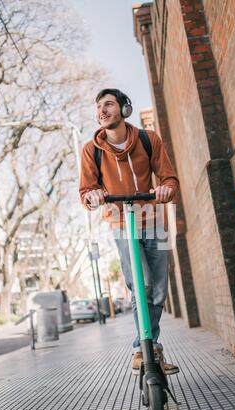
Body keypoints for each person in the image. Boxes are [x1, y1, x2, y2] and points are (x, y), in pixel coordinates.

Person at [79, 88, 179, 375]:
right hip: (122, 224)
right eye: (98, 106)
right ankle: (142, 349)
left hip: (153, 219)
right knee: (142, 283)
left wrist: (166, 189)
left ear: (124, 109)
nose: (102, 110)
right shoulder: (91, 150)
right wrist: (93, 197)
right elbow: (85, 190)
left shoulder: (149, 140)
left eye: (108, 104)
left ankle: (152, 349)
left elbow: (169, 177)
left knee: (159, 289)